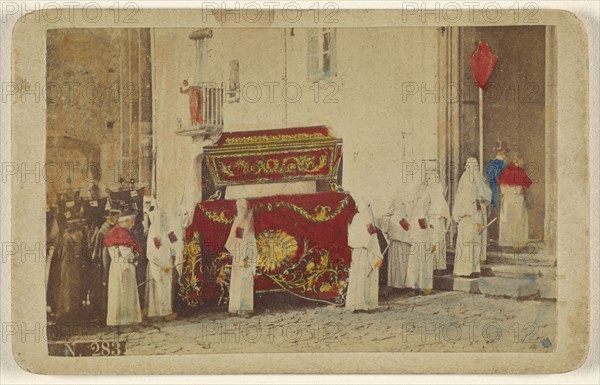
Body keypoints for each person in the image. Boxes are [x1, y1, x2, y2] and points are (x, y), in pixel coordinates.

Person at [453, 158, 492, 278]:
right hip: (473, 217)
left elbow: (459, 199)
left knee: (465, 244)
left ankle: (463, 270)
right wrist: (480, 213)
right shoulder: (476, 178)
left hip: (464, 218)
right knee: (473, 243)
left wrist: (458, 215)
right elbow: (482, 198)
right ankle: (472, 270)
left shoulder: (464, 178)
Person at [104, 211, 143, 326]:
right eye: (131, 221)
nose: (132, 224)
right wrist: (136, 257)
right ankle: (126, 320)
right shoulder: (122, 233)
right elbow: (127, 254)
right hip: (125, 265)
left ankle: (115, 320)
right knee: (126, 293)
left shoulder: (113, 232)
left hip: (115, 266)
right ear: (125, 221)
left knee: (117, 293)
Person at [346, 199, 383, 311]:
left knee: (356, 278)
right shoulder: (368, 221)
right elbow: (372, 238)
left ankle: (354, 304)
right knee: (365, 278)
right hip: (366, 253)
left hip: (356, 252)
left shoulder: (355, 219)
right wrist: (378, 254)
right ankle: (364, 304)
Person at [144, 200, 177, 320]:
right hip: (158, 265)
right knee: (160, 286)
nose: (164, 220)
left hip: (168, 264)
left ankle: (167, 311)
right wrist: (161, 264)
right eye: (161, 218)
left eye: (164, 218)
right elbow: (151, 253)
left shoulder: (168, 232)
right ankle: (159, 312)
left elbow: (174, 244)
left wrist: (173, 256)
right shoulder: (154, 234)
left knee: (167, 286)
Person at [225, 199, 257, 317]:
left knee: (244, 280)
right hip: (242, 256)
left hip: (246, 254)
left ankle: (241, 308)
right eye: (241, 209)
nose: (243, 211)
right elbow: (237, 241)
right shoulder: (240, 222)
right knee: (241, 280)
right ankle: (238, 308)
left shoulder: (248, 220)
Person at [51, 218, 87, 323]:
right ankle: (67, 313)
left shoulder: (68, 237)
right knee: (68, 289)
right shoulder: (68, 238)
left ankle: (70, 312)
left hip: (71, 267)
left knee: (71, 289)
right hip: (69, 267)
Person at [89, 209, 121, 324]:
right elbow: (96, 252)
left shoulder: (113, 229)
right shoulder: (103, 231)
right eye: (115, 218)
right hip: (104, 262)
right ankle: (104, 312)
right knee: (105, 285)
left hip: (112, 260)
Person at [498, 156, 532, 248]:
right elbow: (527, 186)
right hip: (518, 200)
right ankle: (518, 242)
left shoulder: (505, 172)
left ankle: (507, 242)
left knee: (508, 220)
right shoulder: (521, 172)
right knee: (518, 220)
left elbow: (502, 187)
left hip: (508, 200)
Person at [426, 174, 451, 272]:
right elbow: (447, 215)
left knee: (437, 243)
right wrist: (446, 228)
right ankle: (436, 267)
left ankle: (437, 267)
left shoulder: (435, 196)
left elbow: (447, 214)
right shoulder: (430, 195)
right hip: (434, 223)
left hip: (434, 223)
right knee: (434, 243)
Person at [485, 141, 509, 210]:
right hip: (499, 192)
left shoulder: (490, 164)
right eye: (505, 151)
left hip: (490, 191)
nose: (506, 154)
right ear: (503, 152)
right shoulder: (503, 164)